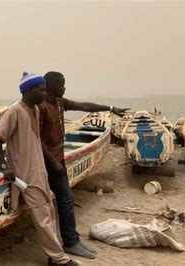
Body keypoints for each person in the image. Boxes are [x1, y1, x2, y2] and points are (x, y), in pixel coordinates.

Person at [38, 71, 129, 259]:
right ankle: (70, 242)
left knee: (64, 198)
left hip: (58, 159)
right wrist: (53, 161)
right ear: (52, 85)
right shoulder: (42, 107)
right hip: (47, 162)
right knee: (65, 198)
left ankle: (71, 241)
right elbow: (36, 138)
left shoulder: (59, 102)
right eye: (61, 84)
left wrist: (111, 108)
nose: (64, 87)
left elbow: (84, 106)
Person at [0, 72, 79, 266]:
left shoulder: (36, 110)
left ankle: (53, 255)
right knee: (43, 216)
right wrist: (5, 167)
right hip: (26, 174)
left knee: (49, 210)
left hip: (39, 171)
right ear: (29, 91)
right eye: (41, 90)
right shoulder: (15, 111)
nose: (44, 93)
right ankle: (59, 259)